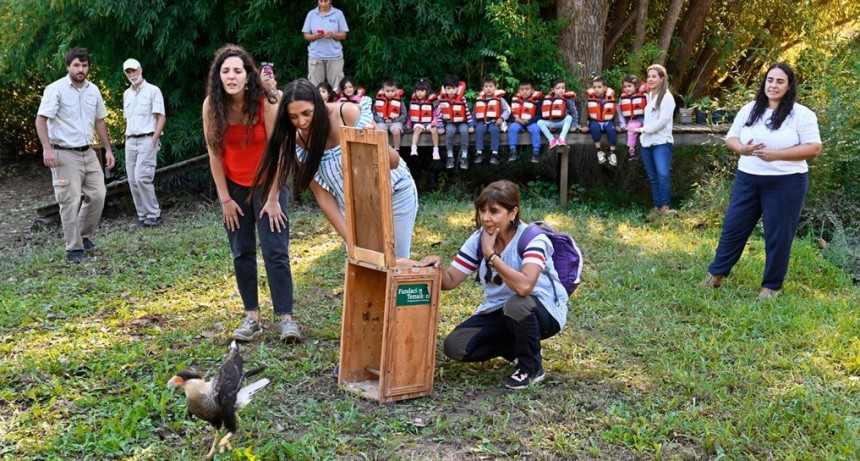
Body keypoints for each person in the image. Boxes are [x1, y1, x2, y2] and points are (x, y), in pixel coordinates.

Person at [415, 180, 569, 389]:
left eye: (494, 211)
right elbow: (450, 281)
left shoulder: (533, 238)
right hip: (500, 311)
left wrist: (491, 256)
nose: (486, 218)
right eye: (482, 210)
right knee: (456, 346)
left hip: (542, 310)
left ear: (513, 213)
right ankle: (519, 348)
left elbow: (524, 287)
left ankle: (531, 368)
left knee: (517, 303)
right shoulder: (479, 239)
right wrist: (436, 267)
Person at [255, 78, 418, 259]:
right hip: (355, 208)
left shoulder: (346, 114)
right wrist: (350, 240)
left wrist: (378, 141)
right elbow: (323, 195)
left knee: (395, 262)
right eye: (293, 117)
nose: (301, 122)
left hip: (395, 195)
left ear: (319, 103)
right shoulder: (299, 141)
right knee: (365, 265)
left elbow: (394, 163)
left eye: (306, 113)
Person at [201, 44, 298, 343]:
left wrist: (272, 198)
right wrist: (225, 200)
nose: (231, 76)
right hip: (234, 187)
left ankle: (286, 318)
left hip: (269, 182)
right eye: (225, 71)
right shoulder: (211, 106)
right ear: (218, 77)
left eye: (237, 71)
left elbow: (279, 150)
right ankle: (252, 317)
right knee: (241, 251)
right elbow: (214, 154)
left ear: (247, 75)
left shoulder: (266, 101)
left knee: (275, 250)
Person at [702, 62, 821, 301]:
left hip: (786, 182)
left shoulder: (802, 114)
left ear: (789, 86)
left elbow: (814, 147)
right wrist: (743, 150)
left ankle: (771, 286)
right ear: (764, 82)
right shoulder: (749, 109)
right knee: (733, 228)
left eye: (779, 81)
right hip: (748, 179)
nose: (773, 85)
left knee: (778, 235)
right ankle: (716, 274)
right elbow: (731, 138)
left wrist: (776, 155)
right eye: (770, 80)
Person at [35, 47, 115, 263]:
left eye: (84, 65)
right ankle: (73, 248)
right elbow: (41, 120)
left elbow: (100, 121)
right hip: (63, 153)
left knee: (98, 194)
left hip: (87, 151)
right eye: (77, 65)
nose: (81, 69)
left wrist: (108, 149)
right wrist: (47, 149)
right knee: (69, 200)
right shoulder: (56, 89)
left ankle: (83, 235)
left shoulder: (94, 90)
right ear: (68, 66)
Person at [122, 58, 166, 229]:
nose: (132, 74)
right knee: (133, 180)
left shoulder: (153, 90)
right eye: (128, 72)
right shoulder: (127, 94)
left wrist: (154, 139)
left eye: (134, 70)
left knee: (142, 177)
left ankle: (154, 214)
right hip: (130, 140)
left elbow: (161, 116)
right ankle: (142, 216)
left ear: (140, 69)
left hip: (147, 138)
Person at [634, 64, 677, 218]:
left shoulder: (667, 98)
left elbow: (663, 121)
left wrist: (642, 130)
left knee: (663, 174)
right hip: (647, 143)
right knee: (653, 177)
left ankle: (665, 206)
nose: (650, 79)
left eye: (654, 76)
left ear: (661, 79)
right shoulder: (649, 96)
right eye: (649, 76)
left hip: (661, 143)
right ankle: (657, 207)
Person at [302, 0, 348, 91]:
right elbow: (306, 35)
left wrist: (333, 35)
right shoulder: (311, 14)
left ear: (330, 1)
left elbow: (344, 35)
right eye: (321, 1)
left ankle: (336, 105)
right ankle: (317, 105)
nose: (323, 4)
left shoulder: (338, 14)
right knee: (315, 89)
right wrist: (314, 36)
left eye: (326, 1)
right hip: (315, 56)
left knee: (337, 88)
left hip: (334, 56)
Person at [536, 78, 579, 162]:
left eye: (563, 88)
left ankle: (561, 138)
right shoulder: (548, 99)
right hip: (552, 123)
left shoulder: (567, 100)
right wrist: (550, 125)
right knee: (539, 122)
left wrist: (574, 125)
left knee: (569, 117)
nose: (561, 90)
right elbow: (545, 114)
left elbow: (574, 113)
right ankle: (552, 139)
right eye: (558, 88)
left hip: (563, 123)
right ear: (552, 89)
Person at [438, 74, 475, 170]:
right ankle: (450, 156)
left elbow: (467, 112)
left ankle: (464, 156)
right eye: (448, 88)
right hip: (450, 123)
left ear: (457, 89)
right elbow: (439, 114)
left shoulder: (462, 99)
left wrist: (471, 125)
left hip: (462, 122)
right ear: (445, 89)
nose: (451, 90)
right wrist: (440, 127)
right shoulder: (442, 100)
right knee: (449, 132)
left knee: (464, 131)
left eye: (453, 88)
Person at [473, 76, 511, 166]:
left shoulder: (500, 99)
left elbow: (507, 110)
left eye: (491, 86)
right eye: (486, 87)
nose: (488, 89)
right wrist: (472, 124)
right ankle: (479, 152)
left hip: (495, 121)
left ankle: (494, 154)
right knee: (478, 130)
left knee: (494, 130)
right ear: (482, 88)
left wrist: (501, 118)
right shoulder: (479, 100)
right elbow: (474, 113)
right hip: (482, 121)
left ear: (495, 87)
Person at [581, 76, 618, 166]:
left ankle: (612, 152)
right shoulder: (590, 99)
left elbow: (615, 112)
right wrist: (583, 125)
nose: (596, 89)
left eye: (599, 87)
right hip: (595, 121)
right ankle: (599, 151)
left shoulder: (611, 99)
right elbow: (585, 113)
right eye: (594, 87)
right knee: (594, 129)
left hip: (607, 121)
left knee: (612, 131)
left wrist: (617, 124)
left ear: (605, 88)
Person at [507, 79, 543, 163]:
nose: (524, 91)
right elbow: (509, 114)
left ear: (532, 90)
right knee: (512, 128)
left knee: (535, 129)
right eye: (522, 89)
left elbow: (539, 115)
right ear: (518, 91)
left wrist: (529, 121)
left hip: (531, 122)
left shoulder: (537, 102)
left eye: (527, 89)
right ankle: (512, 151)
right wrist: (516, 119)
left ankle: (536, 152)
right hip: (518, 122)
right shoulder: (515, 101)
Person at [407, 78, 442, 159]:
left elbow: (436, 114)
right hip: (418, 123)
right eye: (417, 91)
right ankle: (413, 148)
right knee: (417, 130)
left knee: (434, 130)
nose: (419, 93)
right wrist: (408, 125)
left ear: (427, 91)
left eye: (422, 91)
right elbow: (410, 115)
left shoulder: (432, 102)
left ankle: (436, 150)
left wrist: (434, 122)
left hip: (429, 122)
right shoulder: (413, 102)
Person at [617, 74, 646, 161]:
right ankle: (632, 151)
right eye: (625, 87)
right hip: (634, 121)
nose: (627, 89)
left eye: (629, 86)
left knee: (651, 131)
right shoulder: (622, 99)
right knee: (631, 130)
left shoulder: (645, 96)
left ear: (636, 86)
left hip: (646, 120)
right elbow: (619, 112)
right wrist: (622, 124)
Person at [373, 78, 407, 151]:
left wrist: (393, 120)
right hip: (382, 122)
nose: (390, 93)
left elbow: (404, 115)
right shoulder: (378, 101)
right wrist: (382, 120)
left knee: (396, 131)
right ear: (383, 90)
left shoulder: (400, 101)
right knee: (381, 130)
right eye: (387, 91)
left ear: (396, 90)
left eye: (392, 91)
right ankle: (383, 149)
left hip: (396, 122)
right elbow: (374, 115)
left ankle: (396, 150)